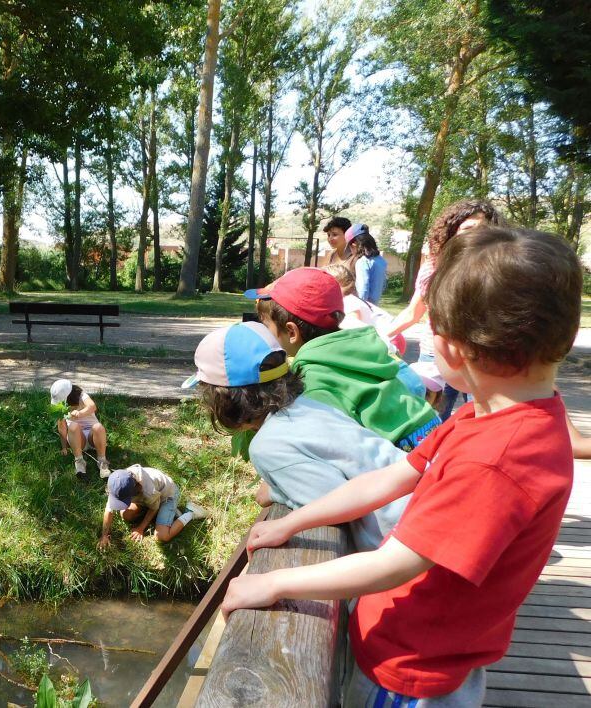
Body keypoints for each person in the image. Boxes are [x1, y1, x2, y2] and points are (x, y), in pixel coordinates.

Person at [221, 227, 582, 707]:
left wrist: (273, 581)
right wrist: (295, 520)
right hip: (414, 646)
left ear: (450, 349)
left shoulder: (494, 459)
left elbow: (396, 564)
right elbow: (390, 478)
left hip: (412, 671)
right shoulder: (484, 417)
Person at [184, 322, 408, 551]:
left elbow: (333, 503)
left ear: (224, 399)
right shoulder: (309, 404)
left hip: (409, 538)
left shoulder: (267, 446)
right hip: (420, 503)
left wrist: (276, 491)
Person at [247, 267, 440, 451]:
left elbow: (333, 448)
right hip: (433, 436)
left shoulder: (314, 379)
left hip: (407, 460)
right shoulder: (361, 347)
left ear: (291, 331)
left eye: (267, 325)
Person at [386, 199, 502, 419]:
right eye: (468, 228)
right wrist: (381, 336)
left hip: (481, 359)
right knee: (429, 424)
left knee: (485, 421)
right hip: (435, 357)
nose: (476, 234)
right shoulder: (432, 268)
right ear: (451, 232)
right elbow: (413, 312)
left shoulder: (498, 271)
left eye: (484, 228)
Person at [97, 464, 208, 549]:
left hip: (167, 496)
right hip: (148, 498)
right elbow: (109, 509)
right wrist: (104, 535)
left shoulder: (148, 490)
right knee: (126, 515)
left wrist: (141, 528)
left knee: (162, 536)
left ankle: (190, 512)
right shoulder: (119, 482)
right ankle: (166, 514)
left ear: (135, 490)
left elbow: (153, 507)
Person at [49, 378, 110, 477]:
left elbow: (92, 406)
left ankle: (102, 461)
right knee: (73, 426)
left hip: (93, 437)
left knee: (98, 427)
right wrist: (64, 447)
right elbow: (62, 427)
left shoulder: (82, 395)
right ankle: (79, 461)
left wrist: (80, 413)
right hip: (77, 440)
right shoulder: (60, 407)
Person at [347, 225, 387, 305]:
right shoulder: (381, 260)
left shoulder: (362, 262)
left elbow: (363, 289)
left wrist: (360, 306)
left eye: (349, 248)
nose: (351, 252)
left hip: (365, 307)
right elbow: (383, 285)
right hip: (375, 306)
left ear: (354, 245)